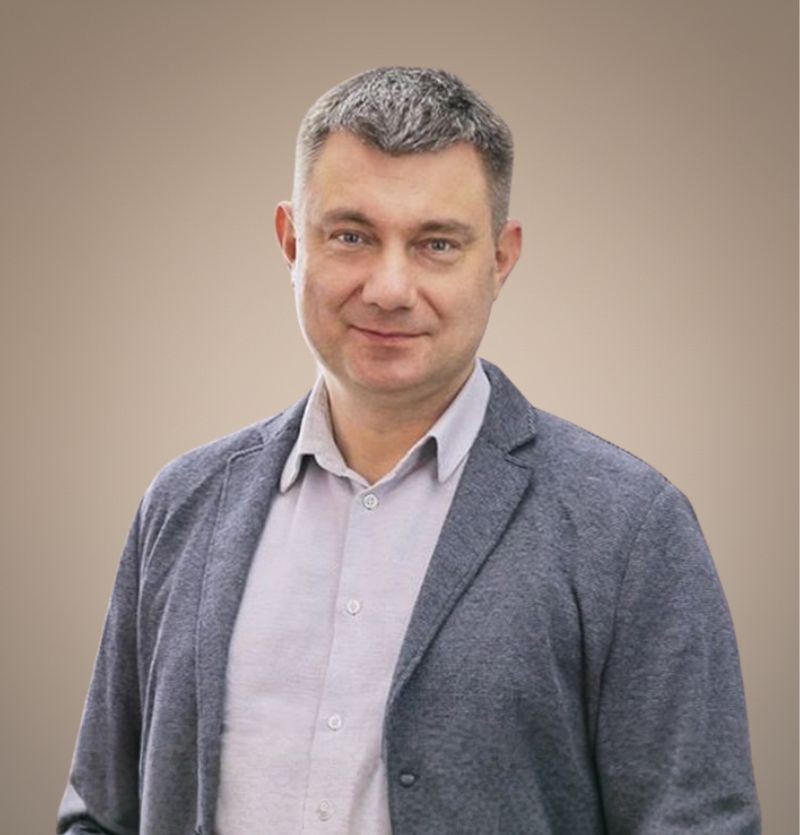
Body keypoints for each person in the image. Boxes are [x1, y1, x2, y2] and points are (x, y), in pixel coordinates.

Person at [57, 67, 760, 835]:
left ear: (501, 259)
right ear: (293, 241)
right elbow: (99, 815)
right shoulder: (183, 504)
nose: (390, 287)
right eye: (352, 235)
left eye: (436, 244)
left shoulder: (629, 528)